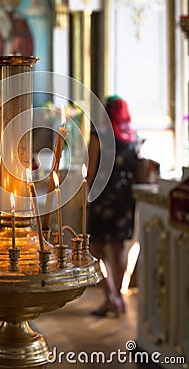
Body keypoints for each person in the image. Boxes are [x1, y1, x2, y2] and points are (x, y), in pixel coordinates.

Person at [87, 95, 138, 317]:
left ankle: (111, 297)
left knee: (94, 248)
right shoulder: (131, 136)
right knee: (119, 248)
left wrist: (87, 197)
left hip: (103, 193)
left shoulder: (99, 134)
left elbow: (91, 170)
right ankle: (118, 297)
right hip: (125, 197)